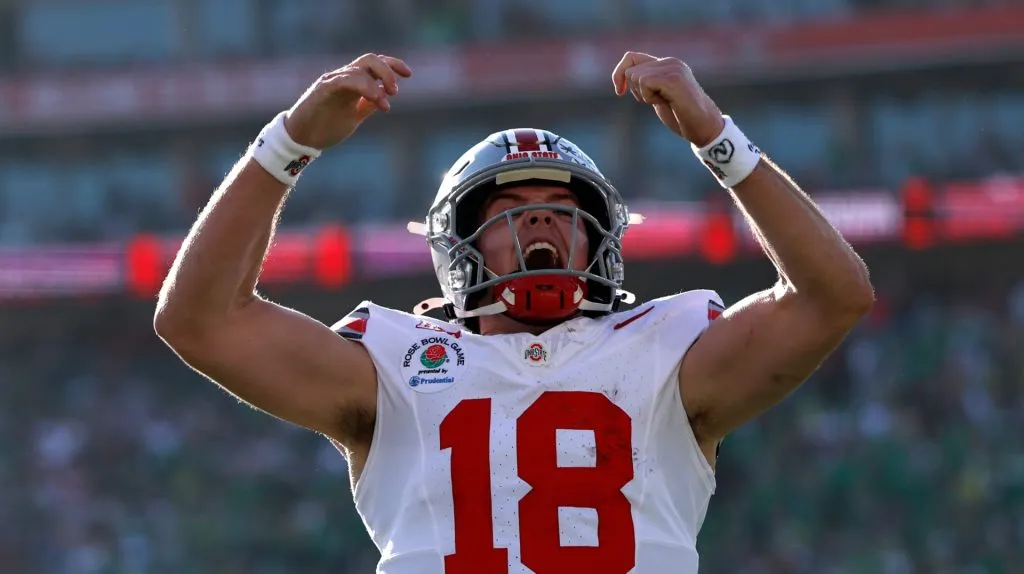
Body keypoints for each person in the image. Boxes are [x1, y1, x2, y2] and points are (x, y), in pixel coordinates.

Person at [154, 51, 874, 573]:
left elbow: (834, 296)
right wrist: (289, 144)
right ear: (457, 245)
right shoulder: (392, 363)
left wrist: (719, 140)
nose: (542, 225)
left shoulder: (667, 350)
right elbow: (198, 319)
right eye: (509, 211)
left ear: (603, 237)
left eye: (565, 211)